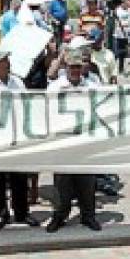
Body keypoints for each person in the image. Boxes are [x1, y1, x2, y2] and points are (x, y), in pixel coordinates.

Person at [0, 50, 39, 229]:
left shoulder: (17, 82)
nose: (8, 63)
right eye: (3, 60)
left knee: (19, 178)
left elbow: (26, 104)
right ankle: (1, 214)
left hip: (16, 135)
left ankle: (22, 213)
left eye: (7, 60)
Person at [45, 51, 100, 232]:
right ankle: (60, 216)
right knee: (62, 184)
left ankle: (88, 216)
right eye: (72, 67)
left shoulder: (93, 86)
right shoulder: (55, 88)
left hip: (85, 142)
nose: (75, 70)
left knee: (87, 183)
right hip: (63, 142)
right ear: (65, 68)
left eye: (78, 66)